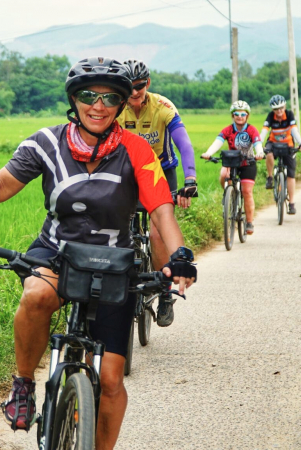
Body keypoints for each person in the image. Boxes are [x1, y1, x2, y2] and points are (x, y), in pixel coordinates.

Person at [0, 56, 197, 450]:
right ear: (74, 99)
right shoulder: (45, 143)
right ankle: (22, 385)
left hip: (114, 261)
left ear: (122, 104)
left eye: (110, 98)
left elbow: (160, 211)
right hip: (57, 252)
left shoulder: (138, 150)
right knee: (36, 295)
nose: (98, 105)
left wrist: (180, 255)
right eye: (89, 95)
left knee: (110, 380)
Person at [116, 59, 197, 327]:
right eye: (129, 88)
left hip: (160, 172)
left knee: (157, 230)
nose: (134, 93)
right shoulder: (115, 108)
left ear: (147, 84)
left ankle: (164, 291)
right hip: (127, 172)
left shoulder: (163, 107)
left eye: (139, 87)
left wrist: (191, 178)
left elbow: (184, 144)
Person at [201, 100, 264, 234]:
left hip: (248, 163)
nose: (239, 116)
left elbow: (258, 142)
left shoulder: (251, 130)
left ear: (247, 116)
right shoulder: (228, 130)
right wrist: (208, 153)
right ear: (232, 115)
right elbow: (218, 142)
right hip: (232, 162)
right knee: (224, 174)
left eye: (243, 114)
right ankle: (229, 194)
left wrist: (259, 153)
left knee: (247, 191)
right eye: (236, 114)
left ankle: (249, 222)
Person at [262, 94, 301, 215]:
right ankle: (270, 177)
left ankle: (291, 203)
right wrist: (258, 145)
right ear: (273, 110)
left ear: (285, 106)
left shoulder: (290, 115)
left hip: (288, 144)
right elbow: (264, 131)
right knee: (268, 153)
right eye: (276, 109)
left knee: (291, 176)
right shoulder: (271, 116)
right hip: (273, 142)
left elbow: (294, 130)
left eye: (281, 108)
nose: (279, 111)